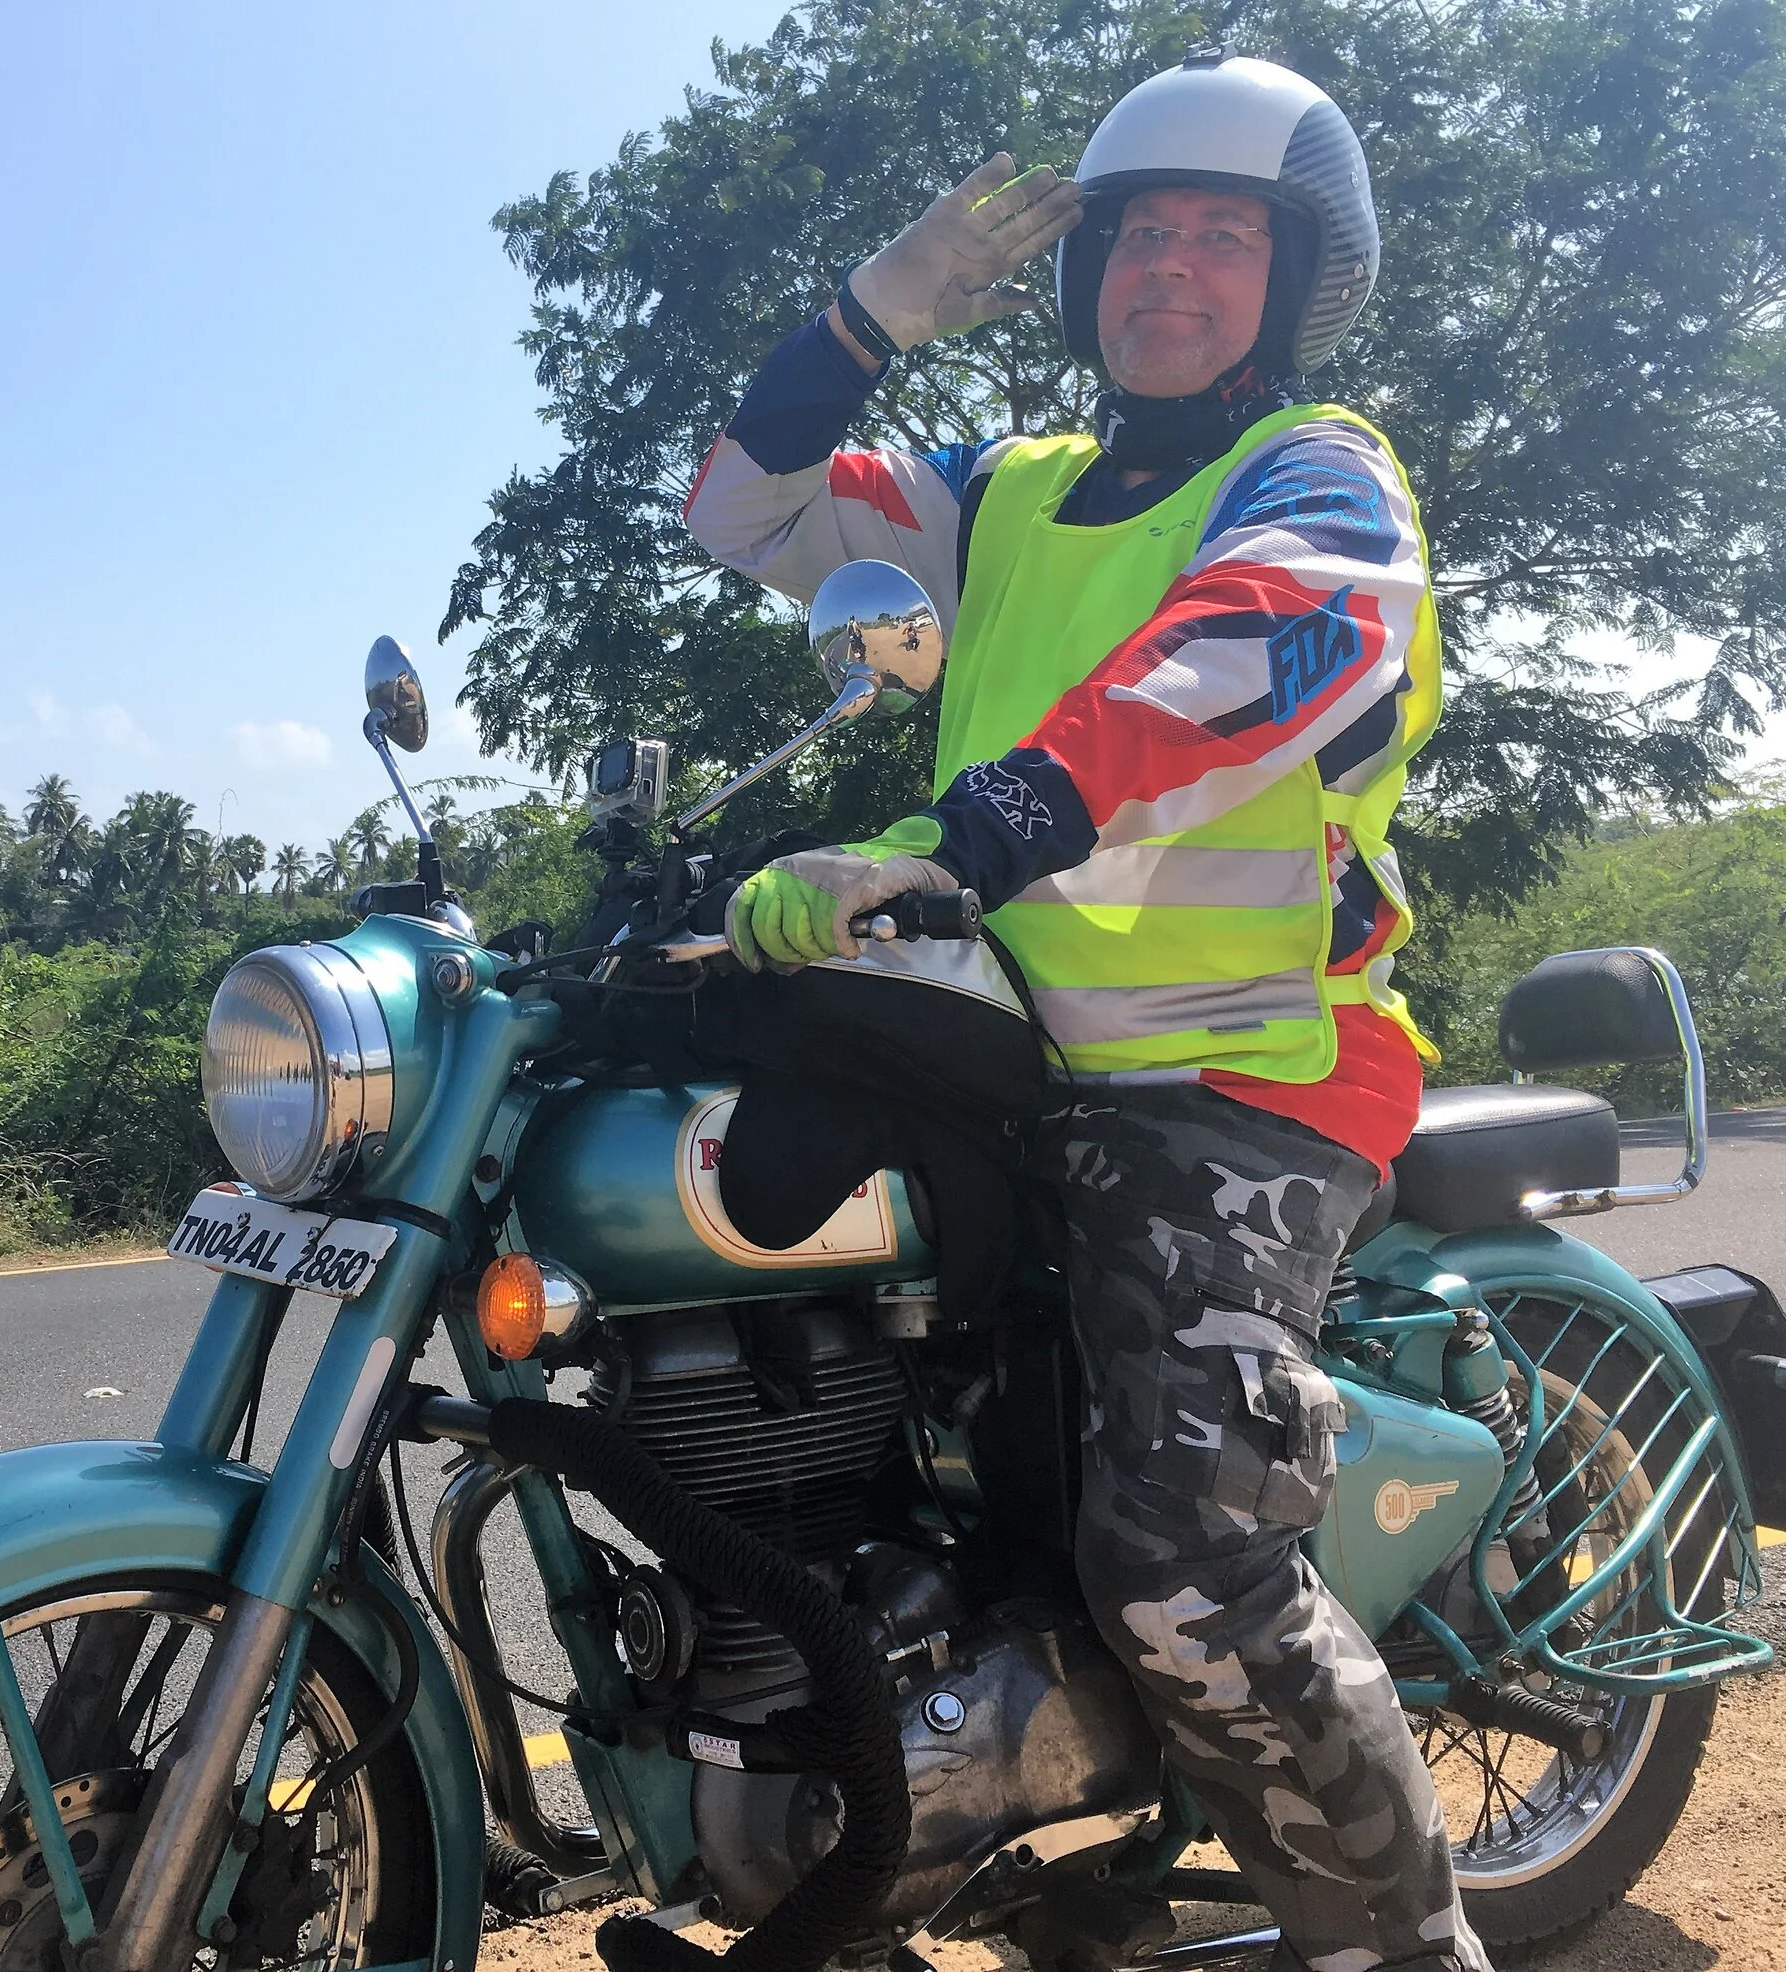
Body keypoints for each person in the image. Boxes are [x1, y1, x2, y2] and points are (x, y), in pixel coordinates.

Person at [682, 50, 1493, 1972]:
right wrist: (873, 311)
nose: (1168, 269)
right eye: (1136, 234)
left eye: (1222, 237)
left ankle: (1407, 1948)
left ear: (1294, 283)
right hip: (1002, 1062)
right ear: (1080, 272)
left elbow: (1246, 657)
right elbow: (738, 512)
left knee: (1186, 1566)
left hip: (1245, 1076)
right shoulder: (1001, 494)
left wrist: (972, 833)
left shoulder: (1317, 473)